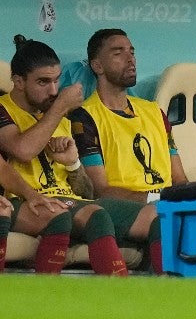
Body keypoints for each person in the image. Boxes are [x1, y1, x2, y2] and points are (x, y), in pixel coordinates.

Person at [0, 35, 163, 275]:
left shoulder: (61, 120)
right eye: (43, 82)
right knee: (83, 215)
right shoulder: (9, 109)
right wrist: (59, 108)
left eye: (56, 81)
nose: (54, 90)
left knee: (160, 215)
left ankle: (168, 289)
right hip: (28, 200)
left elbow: (87, 193)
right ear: (18, 81)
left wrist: (73, 164)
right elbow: (23, 150)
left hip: (71, 200)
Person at [70, 28, 187, 204]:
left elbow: (179, 179)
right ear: (97, 66)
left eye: (131, 52)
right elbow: (99, 190)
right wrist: (155, 199)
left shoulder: (154, 111)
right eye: (118, 53)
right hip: (125, 208)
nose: (130, 59)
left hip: (166, 205)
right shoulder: (84, 117)